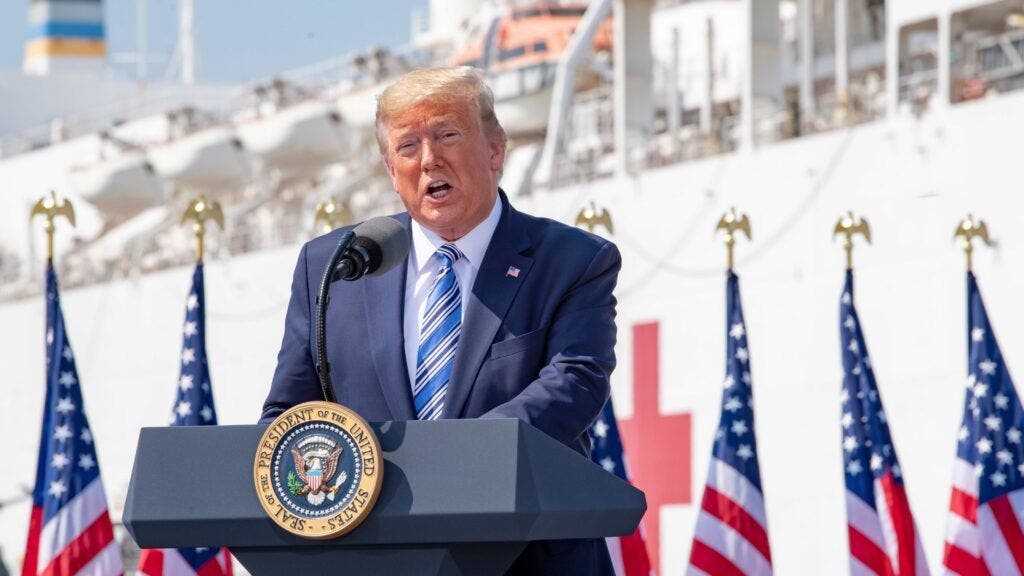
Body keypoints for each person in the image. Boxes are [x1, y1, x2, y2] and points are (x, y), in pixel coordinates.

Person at [261, 66, 620, 575]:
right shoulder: (335, 265)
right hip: (374, 559)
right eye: (408, 146)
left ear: (495, 150)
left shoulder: (572, 260)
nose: (429, 159)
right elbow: (289, 412)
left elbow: (576, 382)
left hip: (529, 558)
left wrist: (450, 460)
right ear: (392, 171)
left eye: (448, 135)